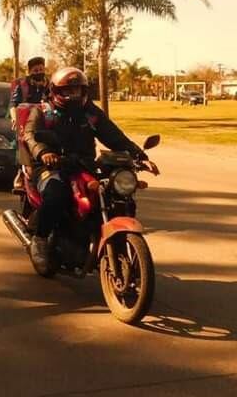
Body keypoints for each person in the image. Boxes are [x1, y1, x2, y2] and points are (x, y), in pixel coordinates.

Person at [22, 67, 157, 274]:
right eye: (67, 91)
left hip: (83, 164)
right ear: (55, 90)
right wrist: (43, 153)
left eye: (76, 90)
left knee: (115, 194)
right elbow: (30, 136)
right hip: (51, 165)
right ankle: (40, 239)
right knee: (56, 194)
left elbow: (114, 136)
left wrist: (140, 156)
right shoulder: (42, 111)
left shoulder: (91, 114)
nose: (72, 95)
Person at [9, 56, 48, 192]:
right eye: (35, 70)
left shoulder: (49, 84)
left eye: (41, 69)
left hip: (45, 120)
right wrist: (15, 118)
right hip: (24, 119)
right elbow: (13, 104)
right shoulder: (21, 84)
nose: (38, 72)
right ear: (30, 71)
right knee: (22, 141)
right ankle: (21, 171)